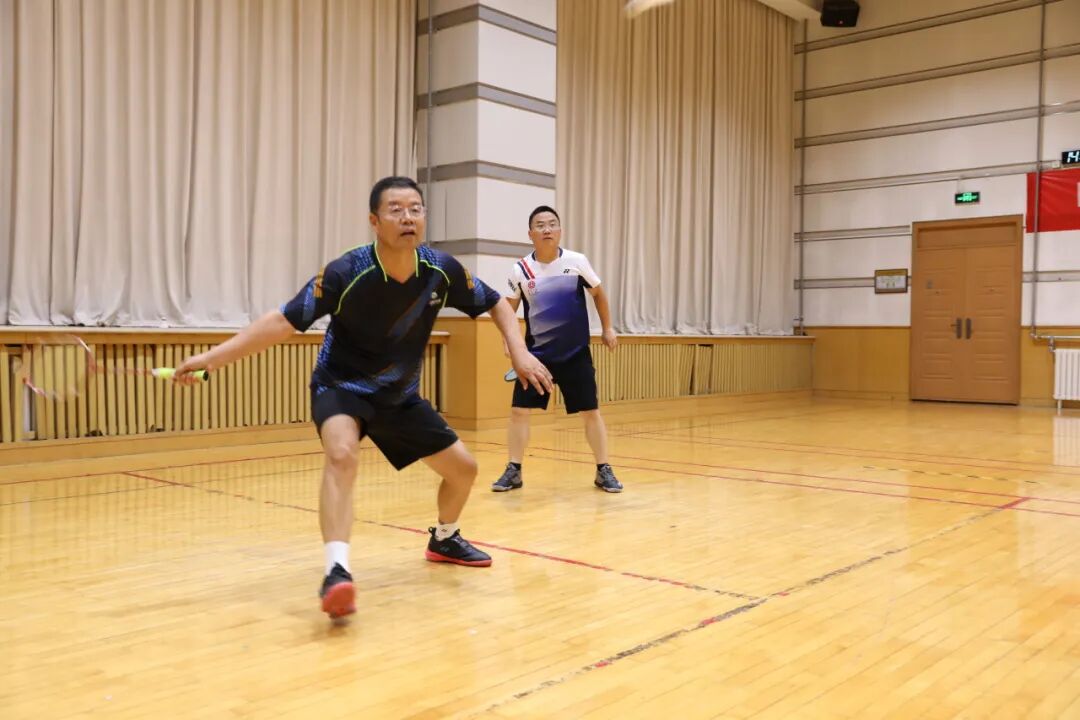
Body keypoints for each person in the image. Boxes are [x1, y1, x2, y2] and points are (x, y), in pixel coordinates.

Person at [174, 176, 553, 620]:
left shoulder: (440, 269)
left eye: (415, 209)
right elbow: (282, 321)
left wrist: (519, 351)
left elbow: (496, 303)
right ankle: (337, 571)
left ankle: (444, 538)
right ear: (375, 221)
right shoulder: (346, 271)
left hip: (399, 397)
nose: (407, 217)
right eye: (396, 210)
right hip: (342, 387)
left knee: (464, 471)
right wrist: (213, 358)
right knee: (341, 455)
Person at [491, 205, 623, 494]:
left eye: (552, 224)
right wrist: (508, 340)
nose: (547, 229)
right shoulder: (521, 269)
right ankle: (514, 469)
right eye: (540, 225)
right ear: (530, 234)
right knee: (519, 412)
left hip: (575, 353)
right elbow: (507, 309)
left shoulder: (576, 262)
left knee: (591, 411)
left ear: (560, 230)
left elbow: (598, 294)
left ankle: (603, 469)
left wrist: (608, 328)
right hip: (536, 358)